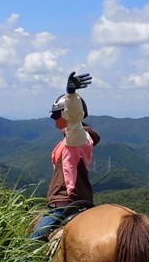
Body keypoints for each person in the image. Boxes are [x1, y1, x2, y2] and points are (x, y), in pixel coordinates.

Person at [29, 71, 100, 241]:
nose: (55, 121)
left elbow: (74, 117)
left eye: (57, 116)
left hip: (63, 205)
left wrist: (70, 94)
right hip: (74, 200)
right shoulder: (72, 140)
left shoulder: (77, 137)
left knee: (29, 243)